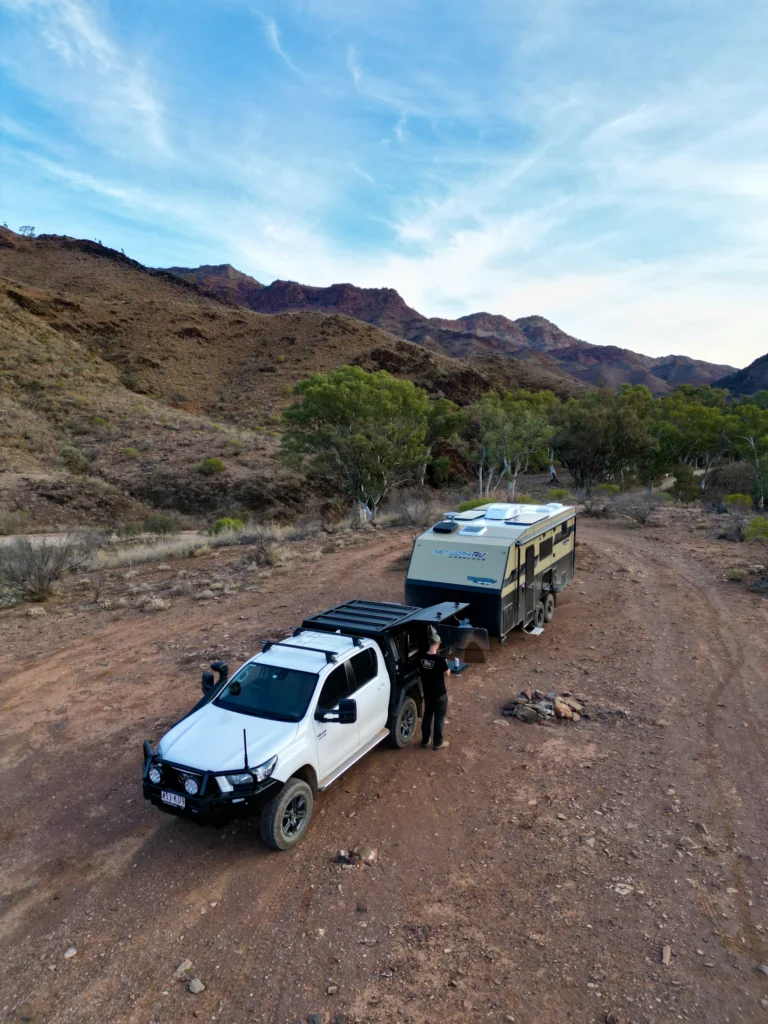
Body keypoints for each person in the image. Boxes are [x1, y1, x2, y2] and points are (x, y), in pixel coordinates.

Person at [419, 630, 451, 750]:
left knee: (427, 715)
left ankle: (425, 740)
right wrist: (446, 664)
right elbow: (447, 673)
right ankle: (438, 743)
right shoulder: (440, 660)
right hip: (440, 694)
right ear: (438, 644)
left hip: (428, 693)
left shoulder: (421, 657)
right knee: (439, 717)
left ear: (429, 643)